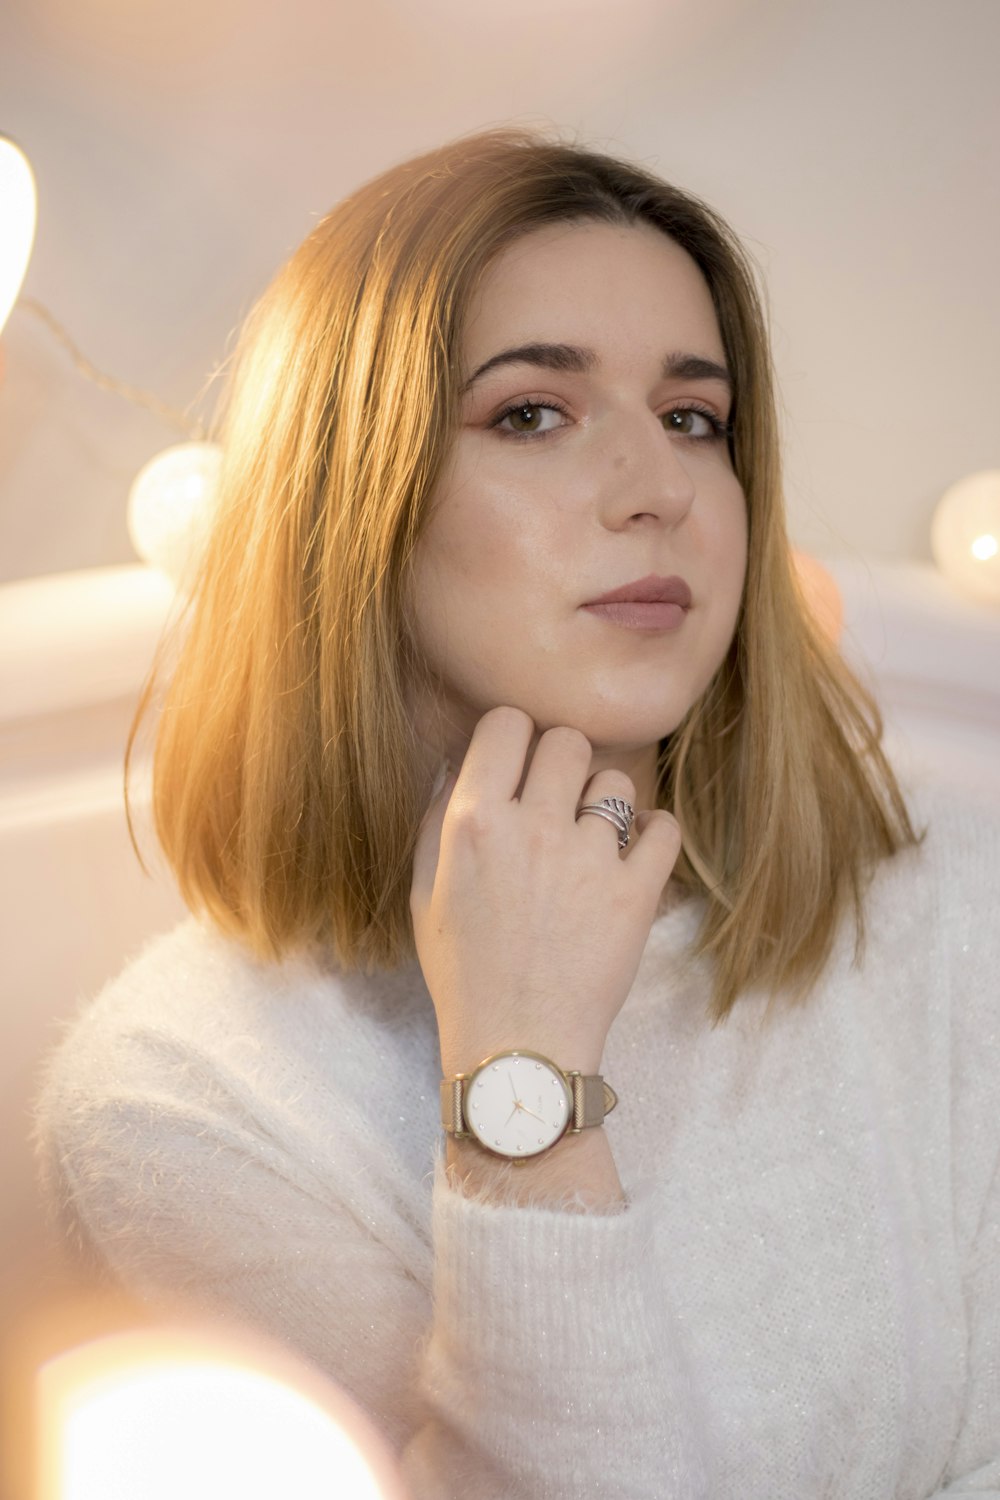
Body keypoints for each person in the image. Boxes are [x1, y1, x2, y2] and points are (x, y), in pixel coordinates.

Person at [35, 129, 999, 1499]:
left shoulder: (956, 917)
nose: (660, 489)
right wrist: (522, 1085)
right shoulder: (182, 1106)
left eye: (695, 418)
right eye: (533, 414)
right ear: (354, 503)